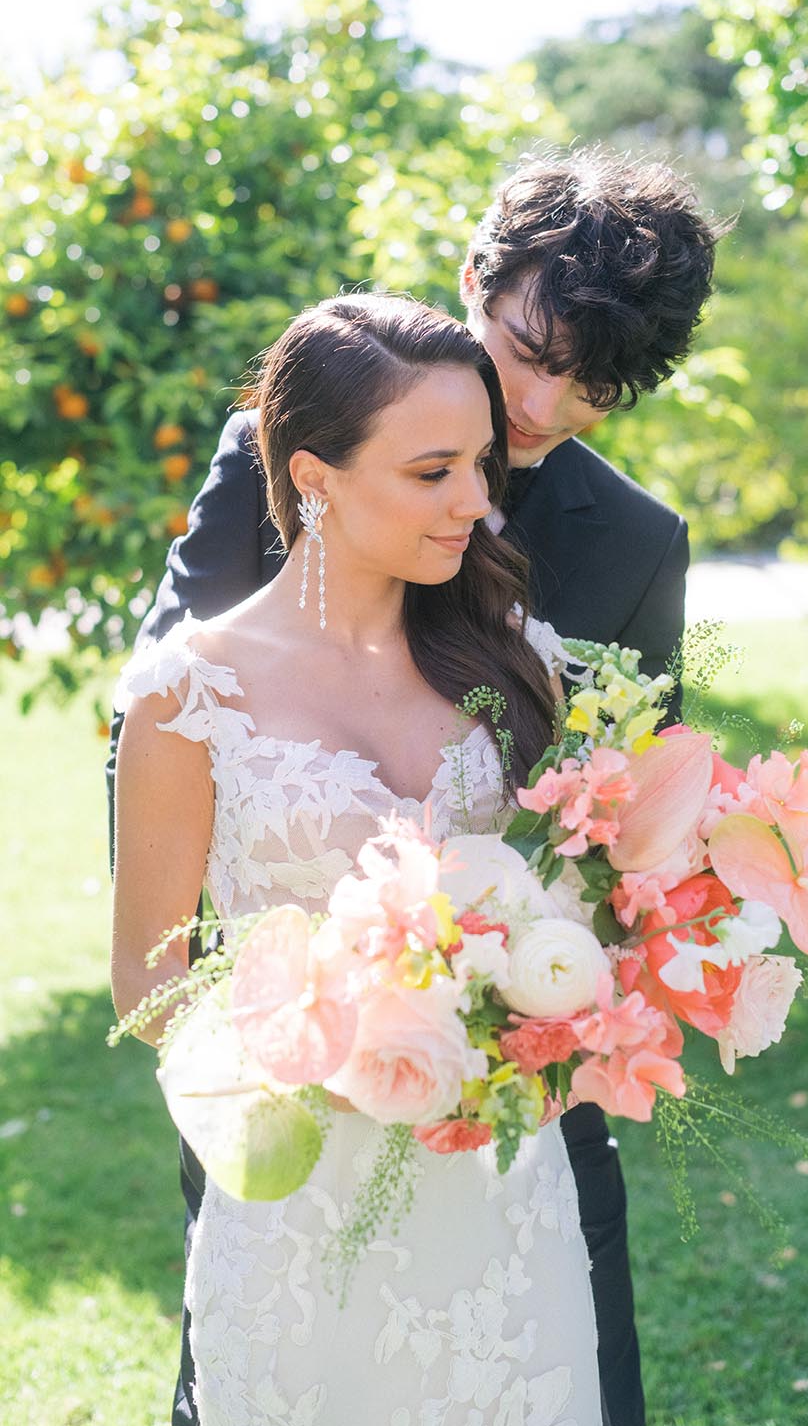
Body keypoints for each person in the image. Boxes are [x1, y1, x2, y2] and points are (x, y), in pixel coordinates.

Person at [107, 147, 722, 1426]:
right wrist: (276, 1016)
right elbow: (175, 728)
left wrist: (544, 1000)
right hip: (285, 1055)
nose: (543, 406)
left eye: (593, 386)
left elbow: (628, 829)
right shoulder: (308, 431)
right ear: (474, 283)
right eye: (529, 351)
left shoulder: (637, 545)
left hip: (523, 1061)